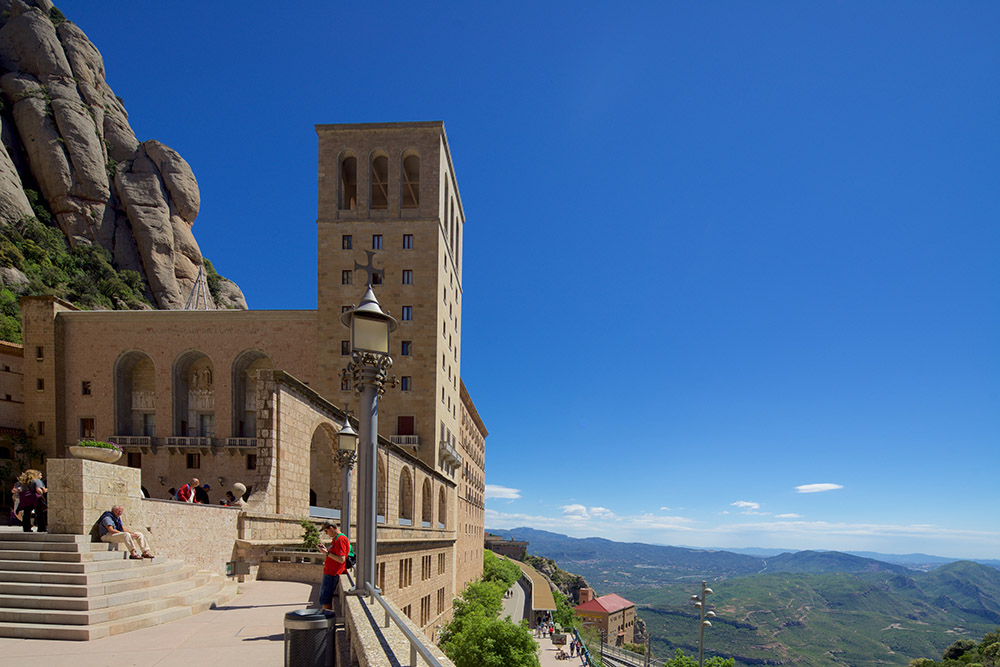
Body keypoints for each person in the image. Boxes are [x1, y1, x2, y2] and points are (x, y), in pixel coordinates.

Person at [316, 521, 349, 611]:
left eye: (326, 531)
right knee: (324, 598)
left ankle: (326, 620)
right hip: (330, 572)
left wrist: (327, 553)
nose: (326, 534)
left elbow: (341, 559)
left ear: (331, 528)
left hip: (332, 574)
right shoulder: (336, 539)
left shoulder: (340, 539)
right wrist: (326, 551)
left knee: (325, 599)